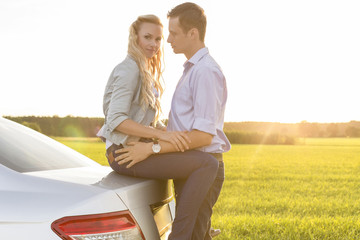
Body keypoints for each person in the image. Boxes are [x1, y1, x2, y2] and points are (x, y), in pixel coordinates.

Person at [97, 14, 219, 240]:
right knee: (207, 164)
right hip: (123, 153)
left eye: (159, 39)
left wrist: (165, 132)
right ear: (135, 37)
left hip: (135, 149)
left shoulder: (143, 69)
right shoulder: (130, 69)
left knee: (205, 164)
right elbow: (115, 119)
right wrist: (160, 136)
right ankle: (181, 235)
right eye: (147, 37)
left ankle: (195, 232)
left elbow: (145, 120)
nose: (154, 44)